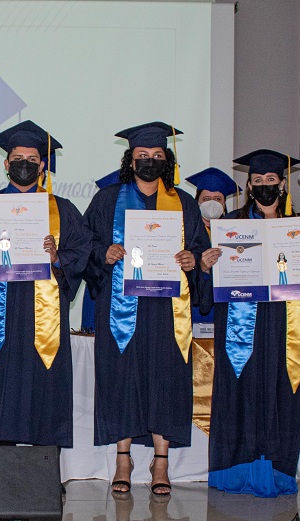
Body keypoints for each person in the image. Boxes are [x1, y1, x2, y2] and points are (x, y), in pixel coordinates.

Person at [82, 121, 211, 495]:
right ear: (130, 160)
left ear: (166, 160)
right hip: (121, 305)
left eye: (157, 156)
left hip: (168, 308)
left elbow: (201, 250)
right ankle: (123, 458)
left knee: (166, 377)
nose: (150, 162)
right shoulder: (108, 200)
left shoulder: (184, 202)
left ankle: (161, 461)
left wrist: (193, 260)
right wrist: (103, 253)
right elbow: (86, 244)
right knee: (122, 375)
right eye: (143, 156)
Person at [205, 149, 300, 497]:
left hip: (285, 325)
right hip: (241, 324)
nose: (265, 185)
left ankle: (278, 473)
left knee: (282, 389)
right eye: (258, 180)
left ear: (282, 185)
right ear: (248, 185)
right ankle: (234, 473)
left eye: (271, 180)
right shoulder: (229, 225)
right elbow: (210, 290)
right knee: (240, 391)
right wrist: (206, 267)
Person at [0, 120, 89, 447]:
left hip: (44, 317)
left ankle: (46, 475)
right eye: (18, 159)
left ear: (42, 165)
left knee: (46, 389)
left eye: (32, 160)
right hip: (0, 318)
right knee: (0, 387)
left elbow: (82, 251)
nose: (25, 165)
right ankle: (1, 470)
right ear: (6, 164)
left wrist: (57, 259)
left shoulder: (62, 210)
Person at [185, 167, 240, 233]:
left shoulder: (232, 230)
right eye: (206, 199)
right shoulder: (187, 230)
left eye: (217, 199)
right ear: (197, 201)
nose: (212, 203)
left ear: (224, 204)